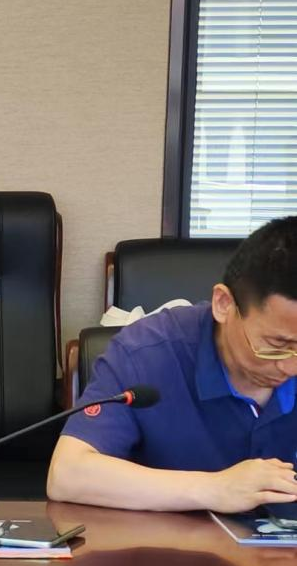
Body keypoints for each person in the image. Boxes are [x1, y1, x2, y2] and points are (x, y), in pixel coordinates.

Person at [47, 216, 297, 512]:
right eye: (276, 346)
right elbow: (67, 474)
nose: (290, 368)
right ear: (224, 304)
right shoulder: (146, 353)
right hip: (178, 539)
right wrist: (214, 488)